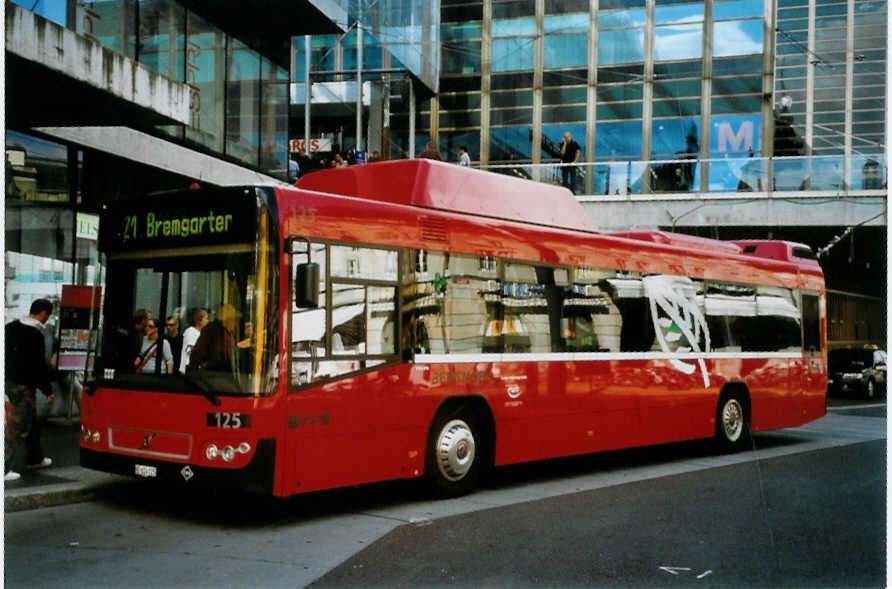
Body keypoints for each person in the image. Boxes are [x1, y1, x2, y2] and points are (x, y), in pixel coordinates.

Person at [5, 299, 56, 480]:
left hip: (9, 382)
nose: (46, 320)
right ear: (43, 313)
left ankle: (35, 457)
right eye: (47, 316)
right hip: (24, 386)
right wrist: (48, 390)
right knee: (17, 426)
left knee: (32, 421)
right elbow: (38, 366)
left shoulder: (10, 327)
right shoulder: (35, 334)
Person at [187, 303, 240, 375]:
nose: (235, 323)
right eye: (233, 319)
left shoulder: (229, 333)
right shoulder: (211, 332)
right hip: (215, 378)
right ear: (226, 320)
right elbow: (196, 357)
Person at [180, 308, 208, 373]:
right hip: (189, 366)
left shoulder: (201, 332)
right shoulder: (190, 332)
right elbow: (190, 349)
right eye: (206, 318)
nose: (207, 321)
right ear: (199, 320)